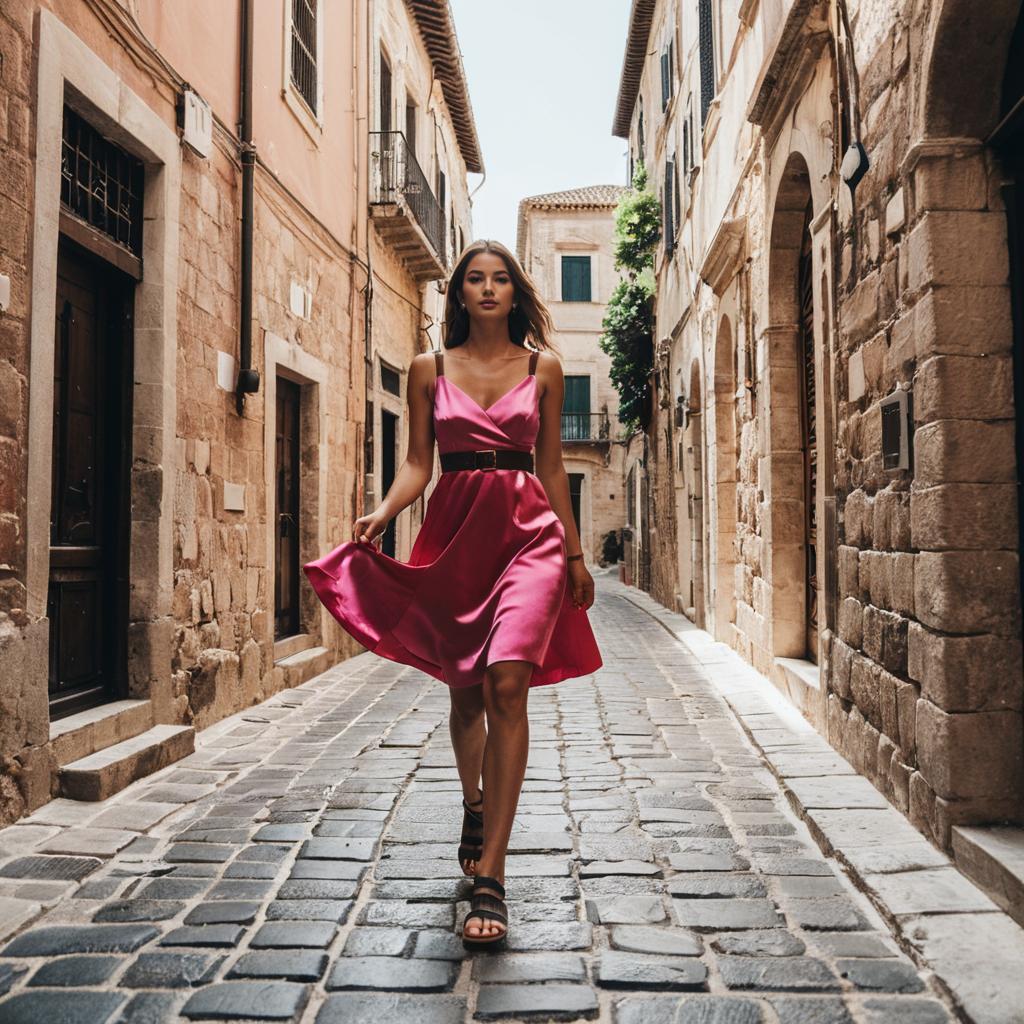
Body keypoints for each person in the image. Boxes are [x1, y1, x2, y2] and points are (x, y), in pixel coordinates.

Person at [304, 238, 602, 950]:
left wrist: (576, 552)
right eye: (476, 279)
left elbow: (553, 471)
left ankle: (491, 877)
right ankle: (474, 804)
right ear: (460, 293)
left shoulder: (545, 368)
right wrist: (384, 511)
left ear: (514, 291)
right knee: (465, 692)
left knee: (507, 684)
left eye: (501, 279)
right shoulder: (426, 369)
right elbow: (417, 462)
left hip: (528, 536)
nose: (490, 289)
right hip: (455, 536)